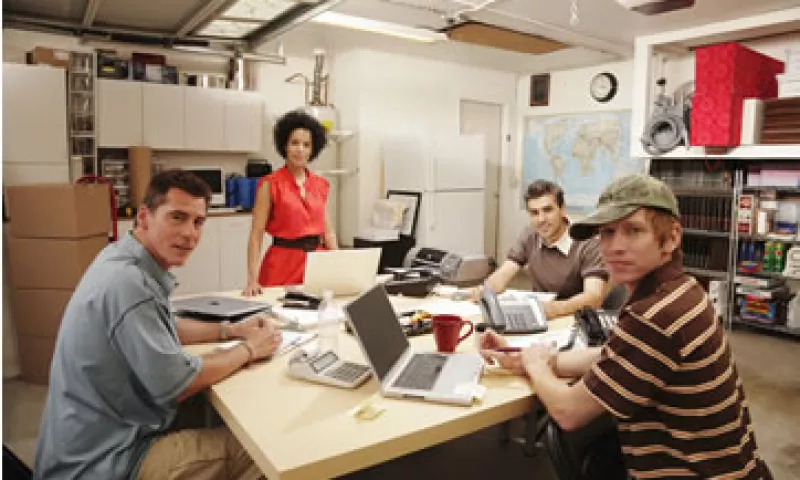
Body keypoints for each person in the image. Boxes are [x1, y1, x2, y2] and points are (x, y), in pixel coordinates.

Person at [481, 174, 772, 479]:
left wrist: (536, 366)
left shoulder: (654, 316)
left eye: (633, 231)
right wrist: (539, 358)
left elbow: (568, 412)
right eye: (607, 233)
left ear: (671, 238)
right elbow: (613, 354)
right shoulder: (681, 289)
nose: (615, 247)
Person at [34, 170, 282, 480]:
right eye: (177, 217)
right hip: (104, 463)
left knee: (224, 413)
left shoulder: (124, 259)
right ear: (143, 217)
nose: (190, 233)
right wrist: (249, 349)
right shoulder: (129, 284)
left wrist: (231, 331)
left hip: (91, 441)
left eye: (198, 221)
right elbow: (175, 382)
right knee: (261, 450)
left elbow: (163, 328)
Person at [474, 179, 608, 319]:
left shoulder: (588, 242)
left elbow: (594, 297)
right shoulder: (530, 235)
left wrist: (554, 308)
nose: (541, 219)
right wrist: (486, 290)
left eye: (547, 210)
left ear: (562, 210)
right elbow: (503, 275)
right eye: (534, 213)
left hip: (576, 321)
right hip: (541, 319)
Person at [242, 111, 338, 295]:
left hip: (317, 264)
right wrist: (252, 280)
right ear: (284, 145)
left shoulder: (321, 185)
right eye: (294, 143)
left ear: (312, 150)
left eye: (306, 145)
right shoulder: (270, 184)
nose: (300, 149)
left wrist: (339, 267)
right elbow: (256, 235)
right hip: (282, 264)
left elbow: (328, 232)